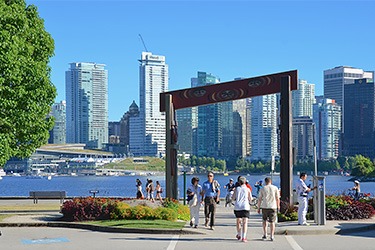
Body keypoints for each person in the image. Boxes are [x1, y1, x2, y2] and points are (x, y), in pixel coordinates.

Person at [257, 177, 280, 241]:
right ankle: (272, 235)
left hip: (265, 206)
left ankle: (265, 234)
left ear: (265, 182)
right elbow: (277, 198)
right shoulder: (275, 188)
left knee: (264, 220)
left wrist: (258, 207)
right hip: (273, 206)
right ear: (271, 181)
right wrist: (278, 206)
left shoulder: (262, 188)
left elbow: (260, 199)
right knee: (272, 222)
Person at [233, 176, 252, 243]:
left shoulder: (236, 189)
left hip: (238, 206)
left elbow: (233, 198)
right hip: (245, 206)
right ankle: (244, 237)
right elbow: (250, 199)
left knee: (238, 221)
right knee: (245, 222)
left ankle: (239, 234)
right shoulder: (247, 189)